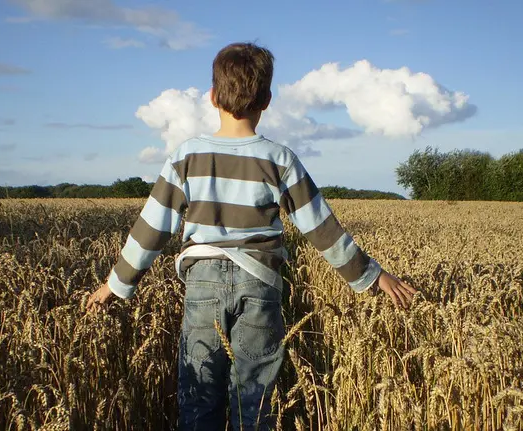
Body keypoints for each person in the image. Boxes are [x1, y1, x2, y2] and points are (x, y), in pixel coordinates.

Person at [87, 42, 417, 430]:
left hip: (202, 284)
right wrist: (370, 274)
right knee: (256, 404)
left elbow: (151, 228)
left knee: (199, 397)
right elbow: (322, 228)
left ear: (213, 96)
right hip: (260, 284)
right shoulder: (280, 159)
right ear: (267, 100)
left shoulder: (186, 156)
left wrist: (115, 284)